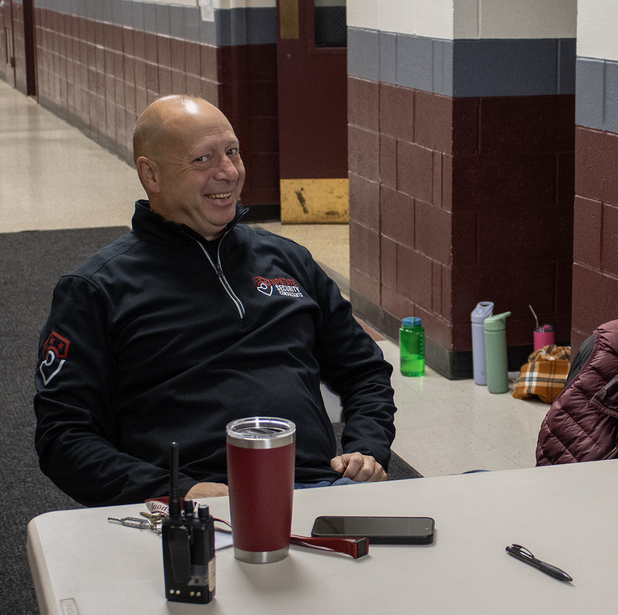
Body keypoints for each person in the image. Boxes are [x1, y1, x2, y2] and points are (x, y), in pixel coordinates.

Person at [34, 95, 397, 507]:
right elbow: (63, 436)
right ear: (150, 174)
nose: (228, 172)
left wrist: (367, 446)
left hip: (319, 492)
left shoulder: (288, 260)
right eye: (202, 160)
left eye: (232, 152)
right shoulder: (95, 289)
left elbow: (364, 369)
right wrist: (174, 490)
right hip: (192, 509)